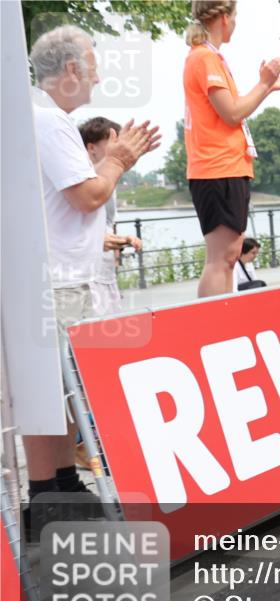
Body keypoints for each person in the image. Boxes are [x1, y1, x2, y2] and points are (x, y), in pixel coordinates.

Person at [27, 24, 159, 522]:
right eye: (94, 67)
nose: (100, 78)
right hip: (61, 277)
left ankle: (61, 482)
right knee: (56, 385)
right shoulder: (51, 123)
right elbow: (87, 195)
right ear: (72, 70)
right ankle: (48, 495)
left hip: (57, 273)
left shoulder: (36, 118)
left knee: (59, 387)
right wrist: (119, 159)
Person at [183, 0, 280, 298]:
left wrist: (267, 87)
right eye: (235, 16)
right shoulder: (204, 58)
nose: (235, 23)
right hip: (217, 168)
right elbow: (232, 113)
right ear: (223, 18)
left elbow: (232, 110)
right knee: (221, 259)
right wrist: (264, 83)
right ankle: (212, 327)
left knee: (228, 256)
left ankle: (219, 322)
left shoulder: (209, 58)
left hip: (224, 167)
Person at [78, 116, 143, 317]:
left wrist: (121, 241)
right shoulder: (80, 180)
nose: (119, 148)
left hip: (105, 270)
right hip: (86, 273)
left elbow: (105, 222)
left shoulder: (109, 178)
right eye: (112, 143)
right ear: (91, 148)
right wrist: (98, 240)